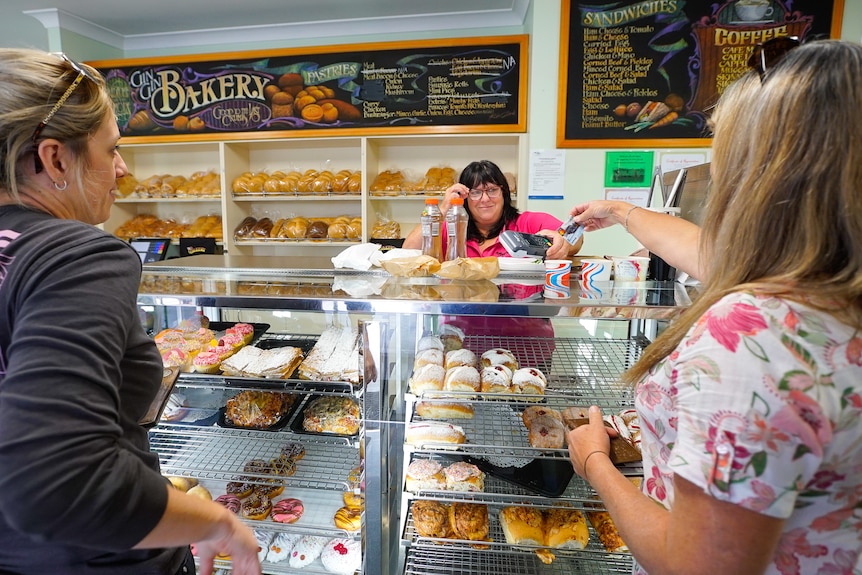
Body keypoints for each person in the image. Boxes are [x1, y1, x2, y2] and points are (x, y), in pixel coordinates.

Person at [567, 39, 862, 574]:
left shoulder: (755, 336)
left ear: (767, 174)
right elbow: (711, 254)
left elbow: (694, 567)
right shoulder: (829, 290)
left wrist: (593, 462)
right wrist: (620, 210)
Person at [0, 49, 260, 575]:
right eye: (112, 149)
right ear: (53, 159)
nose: (123, 168)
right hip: (98, 558)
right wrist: (216, 523)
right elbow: (56, 481)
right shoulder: (74, 254)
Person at [403, 159, 583, 259]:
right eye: (475, 192)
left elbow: (576, 239)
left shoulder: (528, 222)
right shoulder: (452, 230)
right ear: (464, 198)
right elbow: (408, 249)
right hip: (460, 320)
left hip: (520, 320)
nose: (485, 199)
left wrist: (564, 244)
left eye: (492, 190)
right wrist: (443, 208)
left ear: (504, 192)